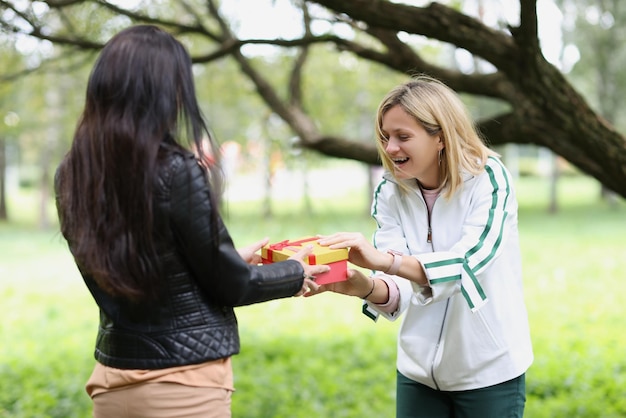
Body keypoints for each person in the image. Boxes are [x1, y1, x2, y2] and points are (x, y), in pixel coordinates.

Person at [53, 25, 325, 418]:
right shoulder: (174, 168)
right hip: (182, 389)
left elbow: (149, 271)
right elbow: (231, 285)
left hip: (111, 383)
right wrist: (294, 271)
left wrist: (231, 257)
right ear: (162, 92)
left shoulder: (73, 174)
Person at [312, 75, 533, 417]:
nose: (390, 149)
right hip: (417, 374)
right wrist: (362, 285)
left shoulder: (488, 178)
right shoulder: (390, 192)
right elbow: (400, 287)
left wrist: (385, 261)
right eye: (385, 137)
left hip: (488, 372)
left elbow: (467, 266)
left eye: (403, 137)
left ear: (441, 137)